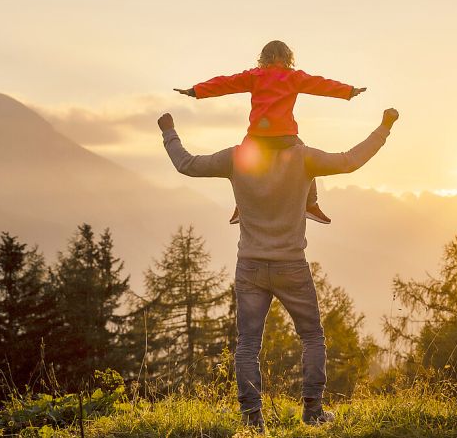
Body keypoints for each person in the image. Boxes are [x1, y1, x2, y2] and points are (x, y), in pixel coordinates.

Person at [158, 107, 399, 433]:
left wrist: (169, 130)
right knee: (312, 337)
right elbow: (349, 159)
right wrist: (384, 127)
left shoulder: (236, 157)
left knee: (248, 345)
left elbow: (186, 163)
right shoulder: (302, 157)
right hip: (291, 265)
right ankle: (313, 411)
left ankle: (252, 419)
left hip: (251, 266)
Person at [174, 40, 366, 225]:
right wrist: (348, 91)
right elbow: (321, 84)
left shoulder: (254, 76)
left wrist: (196, 91)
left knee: (242, 165)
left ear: (264, 58)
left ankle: (241, 206)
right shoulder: (294, 77)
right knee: (309, 162)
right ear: (288, 57)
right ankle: (311, 204)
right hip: (286, 137)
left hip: (257, 137)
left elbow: (225, 83)